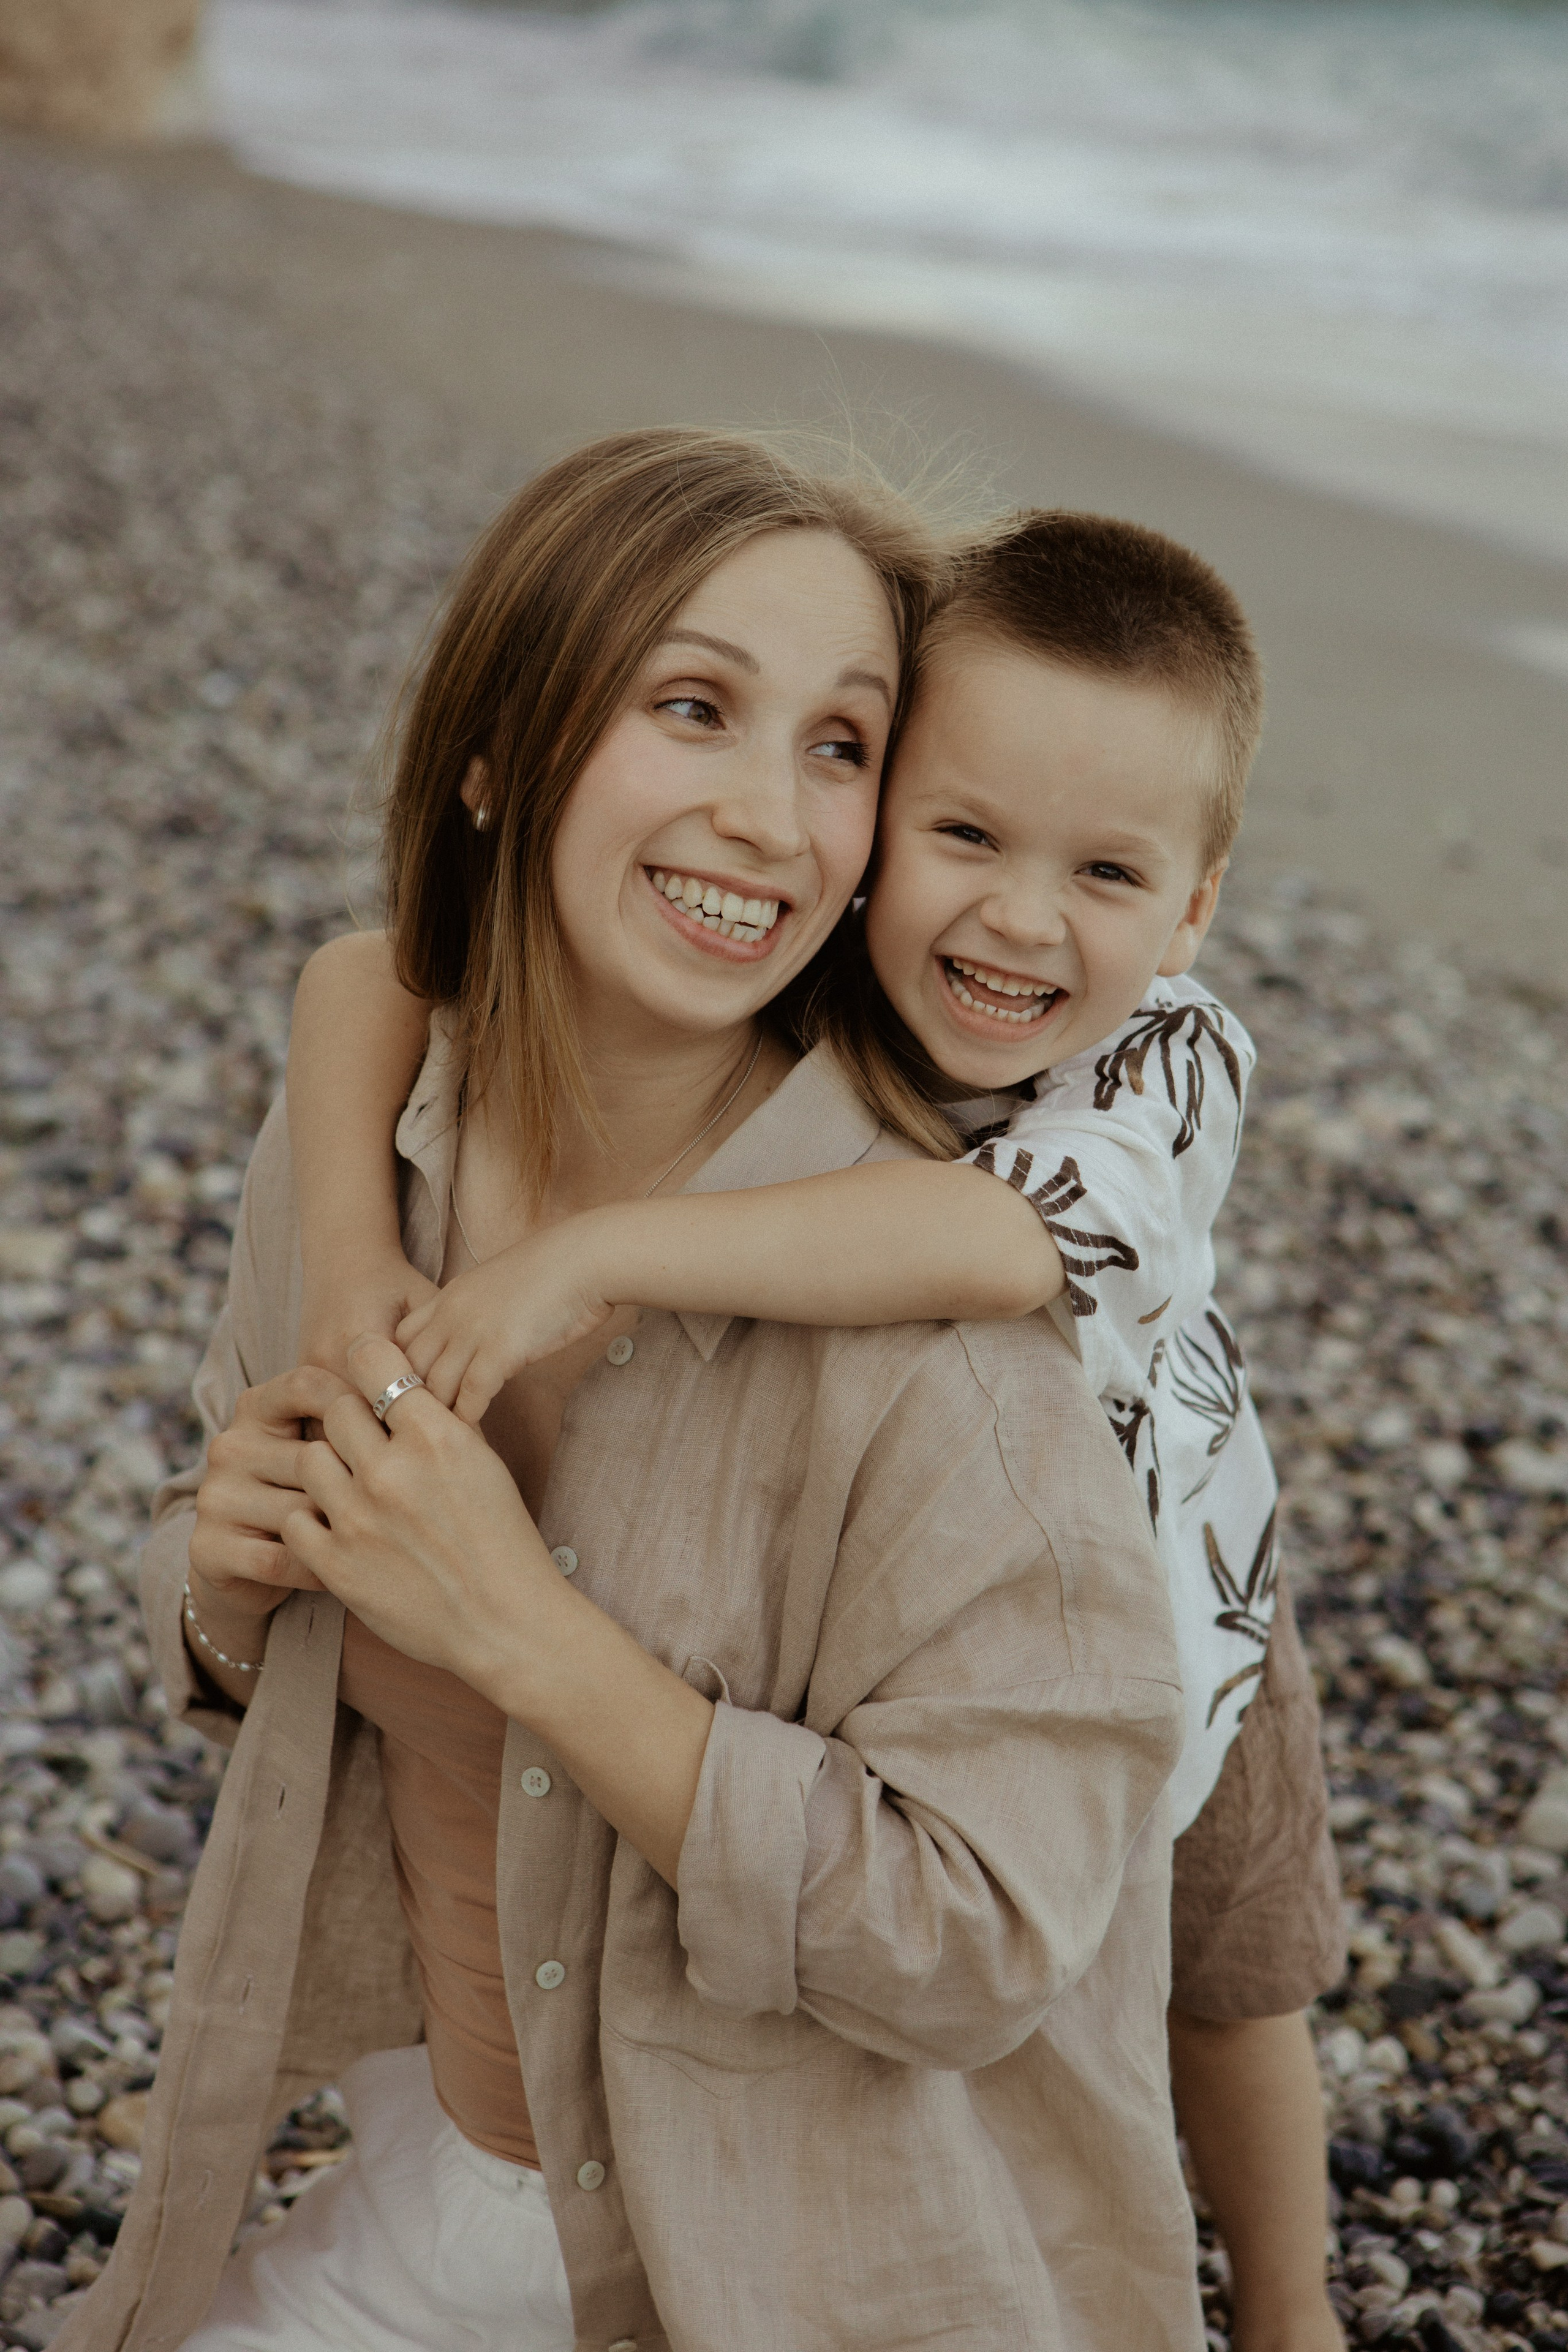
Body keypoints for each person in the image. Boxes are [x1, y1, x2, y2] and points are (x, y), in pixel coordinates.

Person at [59, 429, 1207, 2352]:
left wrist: (521, 1629)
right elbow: (237, 1621)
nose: (773, 814)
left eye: (840, 746)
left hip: (798, 2265)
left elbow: (988, 1941)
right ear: (498, 754)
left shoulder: (930, 1315)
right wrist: (225, 1577)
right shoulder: (378, 1151)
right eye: (696, 707)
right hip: (435, 2169)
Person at [287, 510, 1347, 2352]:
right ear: (886, 831)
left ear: (1192, 907)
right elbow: (359, 973)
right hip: (952, 1611)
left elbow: (985, 1238)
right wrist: (348, 1253)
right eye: (963, 834)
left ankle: (1287, 2305)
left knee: (1231, 1990)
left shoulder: (1167, 1068)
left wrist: (590, 1257)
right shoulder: (820, 963)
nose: (1022, 918)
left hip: (1191, 1588)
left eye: (1108, 873)